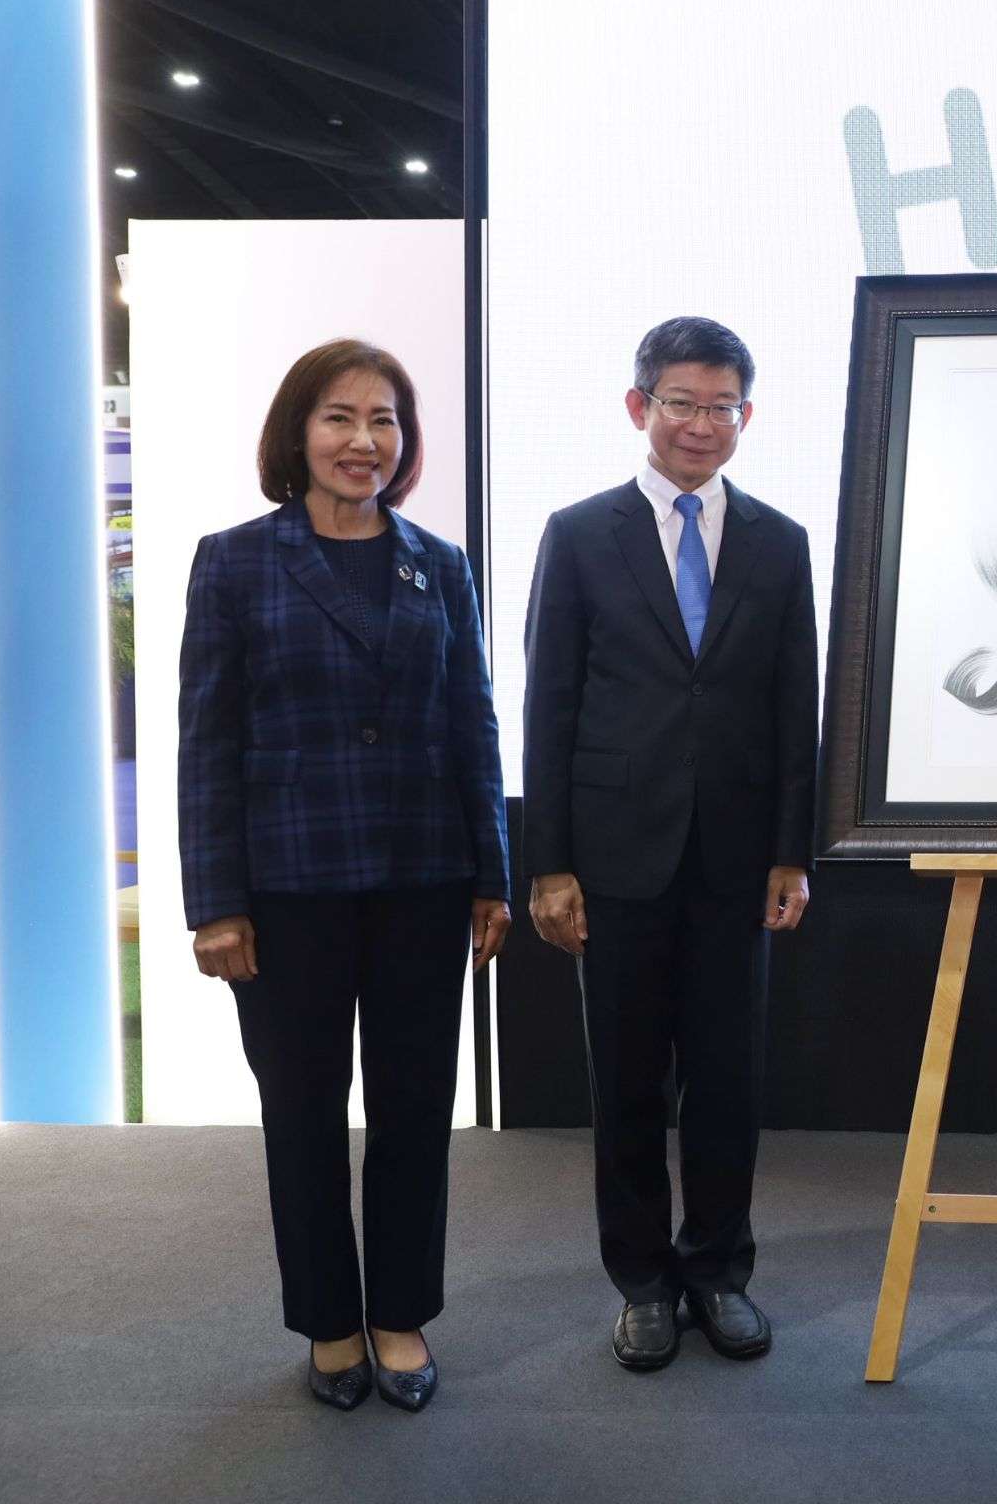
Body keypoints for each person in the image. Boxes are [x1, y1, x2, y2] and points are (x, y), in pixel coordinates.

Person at [179, 338, 511, 1414]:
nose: (364, 440)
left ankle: (400, 1315)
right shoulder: (234, 562)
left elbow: (472, 722)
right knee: (303, 1111)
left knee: (416, 1108)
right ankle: (329, 1319)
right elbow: (207, 744)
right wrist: (215, 902)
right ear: (298, 432)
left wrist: (491, 874)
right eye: (340, 417)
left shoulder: (438, 564)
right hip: (289, 890)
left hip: (423, 878)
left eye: (384, 420)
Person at [521, 316, 817, 1372]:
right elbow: (548, 704)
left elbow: (796, 706)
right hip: (615, 857)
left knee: (730, 1084)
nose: (702, 424)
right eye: (682, 403)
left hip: (737, 861)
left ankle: (720, 1272)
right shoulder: (578, 533)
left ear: (747, 414)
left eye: (722, 406)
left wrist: (793, 852)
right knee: (629, 1084)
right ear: (639, 406)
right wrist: (549, 863)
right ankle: (644, 1283)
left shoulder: (781, 541)